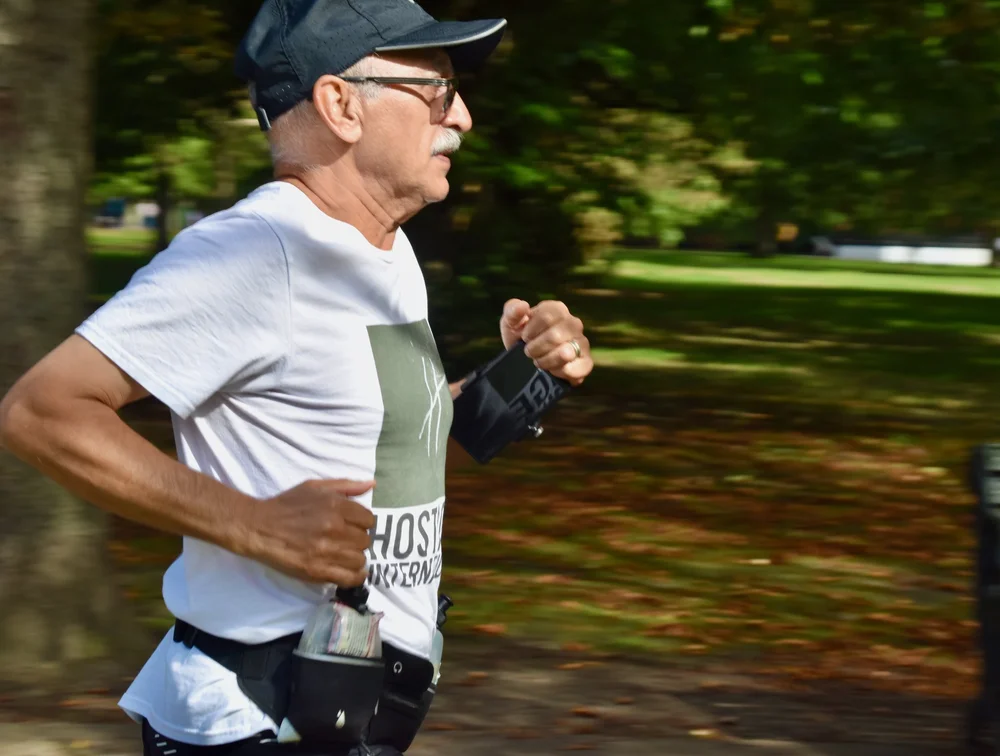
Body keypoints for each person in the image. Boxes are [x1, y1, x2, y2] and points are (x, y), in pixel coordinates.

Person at [0, 0, 594, 753]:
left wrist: (523, 377)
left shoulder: (383, 252)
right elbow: (42, 411)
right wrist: (253, 524)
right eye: (437, 90)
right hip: (254, 718)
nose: (462, 117)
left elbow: (385, 442)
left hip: (353, 714)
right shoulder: (257, 252)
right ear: (341, 104)